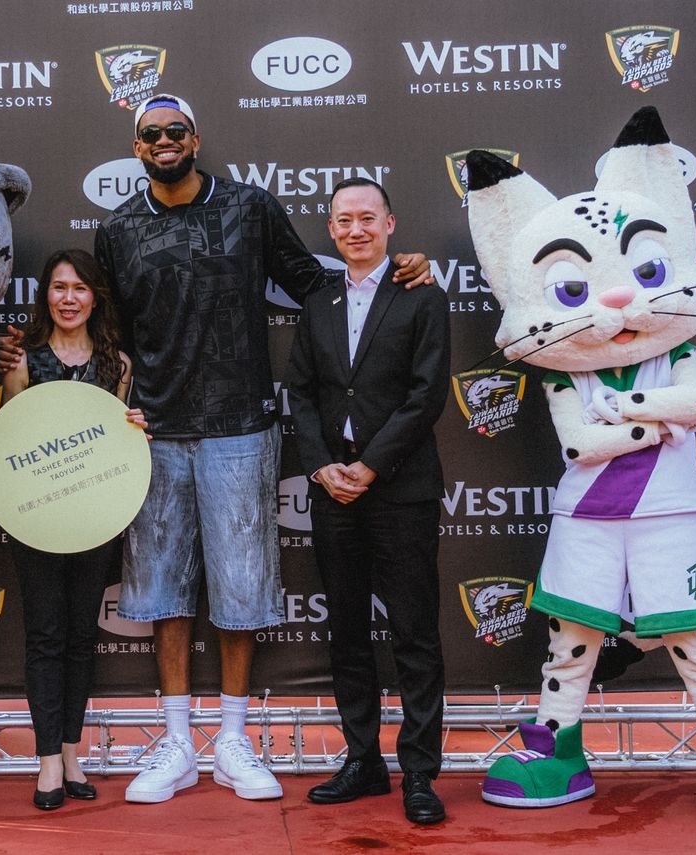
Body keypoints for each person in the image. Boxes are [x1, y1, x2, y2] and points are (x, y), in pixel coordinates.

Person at [92, 93, 433, 804]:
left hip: (242, 426)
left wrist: (397, 273)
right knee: (163, 593)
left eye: (176, 130)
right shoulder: (118, 229)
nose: (163, 140)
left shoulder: (249, 206)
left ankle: (233, 740)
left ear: (196, 138)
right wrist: (109, 398)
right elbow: (110, 332)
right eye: (150, 133)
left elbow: (316, 286)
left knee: (242, 589)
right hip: (153, 432)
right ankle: (177, 743)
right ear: (137, 147)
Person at [285, 178, 450, 824]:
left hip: (401, 489)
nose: (356, 230)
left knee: (414, 633)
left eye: (367, 218)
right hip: (333, 491)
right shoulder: (318, 301)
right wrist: (321, 465)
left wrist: (371, 465)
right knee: (347, 633)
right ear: (330, 230)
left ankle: (420, 772)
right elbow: (301, 393)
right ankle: (363, 760)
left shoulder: (422, 295)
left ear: (389, 224)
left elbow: (426, 395)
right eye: (344, 220)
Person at [0, 249, 147, 811]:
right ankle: (47, 763)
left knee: (81, 638)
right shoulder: (24, 360)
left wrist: (135, 429)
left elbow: (118, 449)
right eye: (59, 287)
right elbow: (10, 443)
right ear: (46, 295)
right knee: (45, 636)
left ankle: (71, 752)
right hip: (34, 518)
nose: (69, 298)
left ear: (95, 298)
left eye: (80, 288)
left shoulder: (118, 366)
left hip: (95, 519)